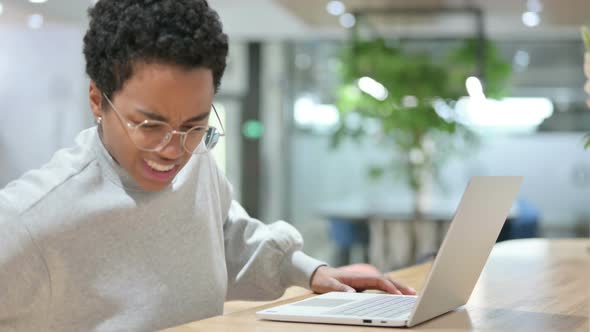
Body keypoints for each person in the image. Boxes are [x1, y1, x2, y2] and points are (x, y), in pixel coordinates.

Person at [0, 1, 415, 331]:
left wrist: (312, 272)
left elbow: (228, 236)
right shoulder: (28, 221)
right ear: (96, 99)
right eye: (150, 125)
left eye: (194, 125)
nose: (172, 151)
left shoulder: (195, 164)